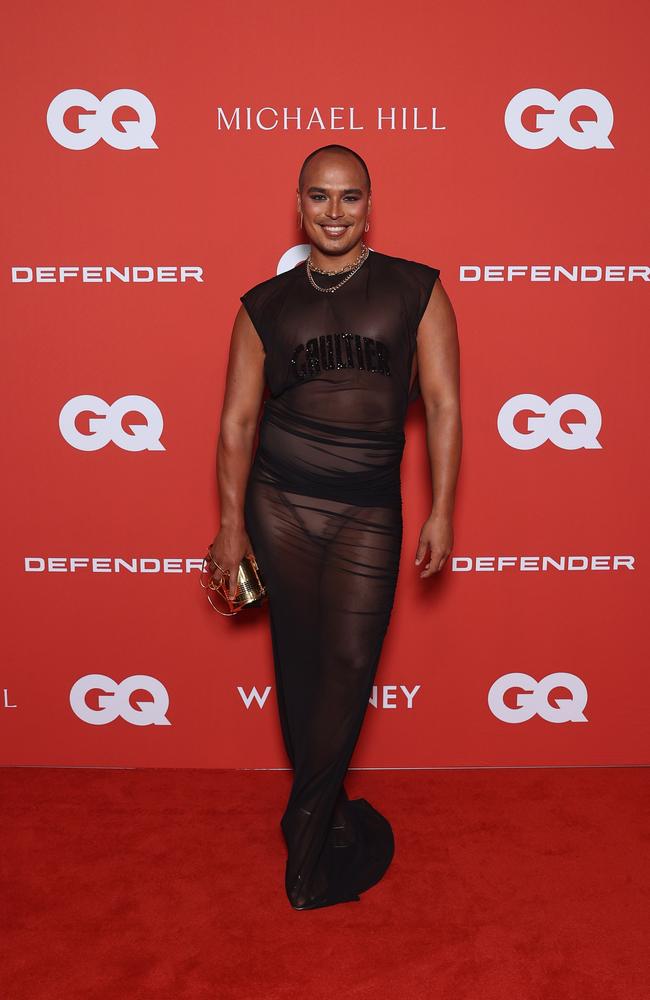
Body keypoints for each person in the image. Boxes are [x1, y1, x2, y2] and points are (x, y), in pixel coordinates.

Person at [209, 143, 461, 910]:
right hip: (279, 505)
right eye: (319, 198)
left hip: (366, 513)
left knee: (348, 669)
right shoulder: (262, 305)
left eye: (349, 198)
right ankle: (318, 834)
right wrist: (229, 526)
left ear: (369, 205)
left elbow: (445, 406)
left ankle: (306, 826)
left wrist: (444, 508)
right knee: (299, 668)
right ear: (299, 204)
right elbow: (237, 423)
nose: (334, 213)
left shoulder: (417, 289)